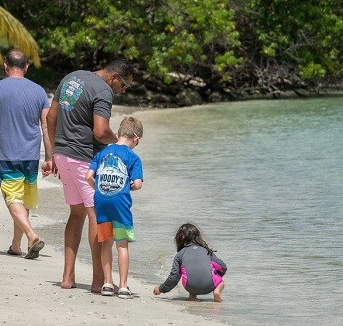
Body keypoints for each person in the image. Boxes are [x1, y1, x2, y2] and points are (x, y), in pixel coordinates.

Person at [47, 59, 135, 293]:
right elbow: (100, 131)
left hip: (63, 156)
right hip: (84, 159)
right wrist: (120, 143)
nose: (122, 91)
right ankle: (99, 280)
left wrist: (54, 152)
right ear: (115, 77)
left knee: (76, 214)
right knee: (97, 215)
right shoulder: (104, 90)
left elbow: (50, 117)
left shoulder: (72, 77)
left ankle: (67, 277)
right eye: (124, 86)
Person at [0, 49, 51, 260]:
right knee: (23, 200)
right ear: (26, 67)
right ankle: (16, 245)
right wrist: (50, 157)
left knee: (12, 198)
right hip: (32, 155)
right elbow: (47, 127)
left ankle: (31, 236)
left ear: (6, 66)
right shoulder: (40, 91)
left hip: (9, 154)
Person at [85, 117, 144, 299]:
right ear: (136, 138)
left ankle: (108, 283)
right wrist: (127, 187)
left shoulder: (102, 153)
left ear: (118, 134)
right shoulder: (133, 157)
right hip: (120, 205)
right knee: (122, 245)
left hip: (101, 202)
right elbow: (138, 184)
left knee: (106, 242)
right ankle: (124, 286)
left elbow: (88, 176)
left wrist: (100, 189)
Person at [153, 223, 227, 302]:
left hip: (190, 286)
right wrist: (214, 274)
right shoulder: (206, 251)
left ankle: (192, 297)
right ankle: (217, 291)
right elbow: (223, 267)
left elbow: (174, 278)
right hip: (209, 286)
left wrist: (160, 289)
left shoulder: (180, 255)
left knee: (188, 273)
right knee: (220, 281)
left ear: (180, 239)